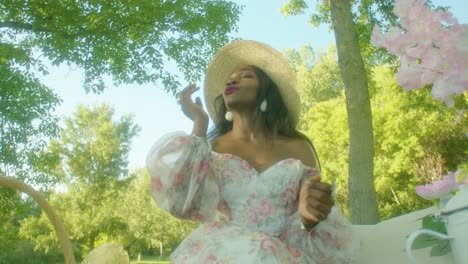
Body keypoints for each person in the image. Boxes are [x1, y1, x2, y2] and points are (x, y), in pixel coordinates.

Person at [147, 40, 358, 263]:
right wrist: (199, 123)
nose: (232, 80)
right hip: (221, 252)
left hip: (284, 253)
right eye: (230, 78)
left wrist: (308, 218)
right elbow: (180, 203)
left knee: (263, 250)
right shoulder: (210, 150)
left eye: (245, 76)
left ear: (266, 91)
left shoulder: (299, 148)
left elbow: (313, 215)